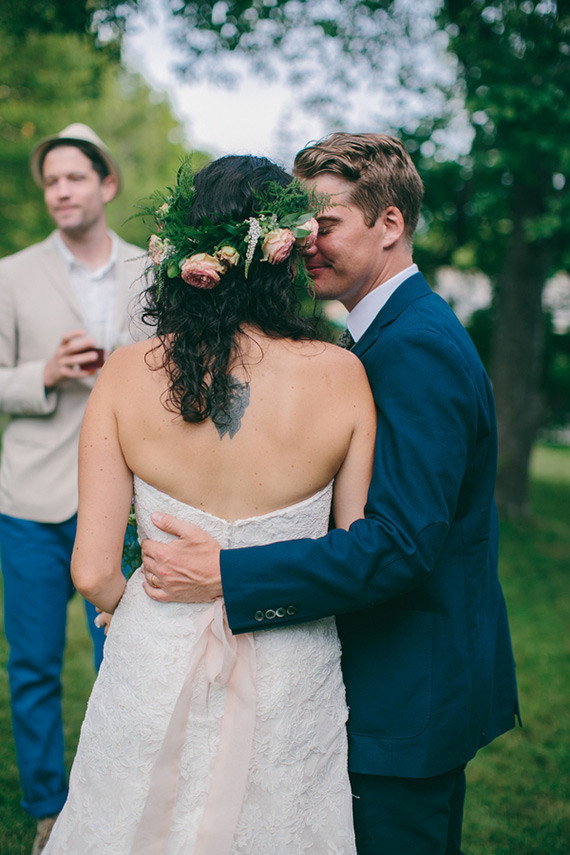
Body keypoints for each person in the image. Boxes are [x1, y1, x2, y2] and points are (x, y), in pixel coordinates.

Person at [141, 133, 521, 855]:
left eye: (326, 222)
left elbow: (400, 544)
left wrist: (227, 572)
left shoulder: (415, 348)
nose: (304, 242)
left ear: (389, 223)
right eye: (300, 224)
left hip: (405, 694)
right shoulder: (389, 334)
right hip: (406, 679)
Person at [43, 154, 376, 853]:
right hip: (288, 663)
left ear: (181, 251)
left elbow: (92, 571)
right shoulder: (345, 375)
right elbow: (354, 554)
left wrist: (128, 607)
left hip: (155, 655)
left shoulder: (125, 375)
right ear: (285, 253)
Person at [0, 123, 147, 854]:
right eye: (51, 181)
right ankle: (48, 810)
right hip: (30, 502)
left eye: (74, 178)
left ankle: (116, 802)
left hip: (121, 500)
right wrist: (46, 374)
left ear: (106, 183)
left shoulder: (151, 269)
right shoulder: (12, 273)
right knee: (32, 666)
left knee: (123, 660)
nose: (60, 191)